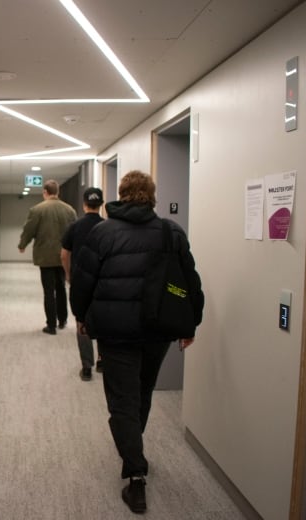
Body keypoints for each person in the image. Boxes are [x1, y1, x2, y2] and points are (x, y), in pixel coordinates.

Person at [70, 171, 204, 514]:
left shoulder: (103, 232)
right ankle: (135, 450)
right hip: (157, 330)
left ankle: (136, 474)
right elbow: (190, 280)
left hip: (116, 332)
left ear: (123, 194)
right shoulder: (171, 231)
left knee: (121, 400)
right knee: (142, 392)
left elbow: (83, 281)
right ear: (152, 196)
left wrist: (81, 316)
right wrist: (191, 322)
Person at [18, 179, 77, 335]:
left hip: (45, 257)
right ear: (57, 192)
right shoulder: (69, 210)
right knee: (61, 288)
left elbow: (29, 229)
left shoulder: (37, 210)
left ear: (45, 192)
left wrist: (22, 244)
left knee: (49, 291)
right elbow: (74, 233)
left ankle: (51, 325)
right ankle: (63, 320)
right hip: (64, 256)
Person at [61, 187, 104, 381]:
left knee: (82, 321)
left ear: (84, 204)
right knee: (105, 319)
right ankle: (102, 361)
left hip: (80, 281)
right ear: (101, 204)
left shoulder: (75, 227)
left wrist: (69, 275)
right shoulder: (107, 226)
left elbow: (64, 254)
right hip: (103, 281)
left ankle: (87, 367)